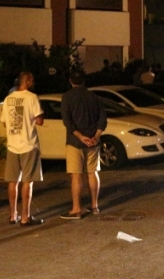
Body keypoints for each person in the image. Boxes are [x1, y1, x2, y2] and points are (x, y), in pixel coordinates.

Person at [60, 70, 107, 219]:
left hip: (75, 142)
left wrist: (81, 137)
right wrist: (95, 136)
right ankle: (94, 205)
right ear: (84, 81)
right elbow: (103, 119)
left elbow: (67, 122)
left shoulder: (67, 97)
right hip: (93, 141)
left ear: (70, 81)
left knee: (76, 175)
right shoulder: (94, 96)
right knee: (93, 173)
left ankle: (76, 209)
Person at [2, 72, 45, 226]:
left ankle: (12, 215)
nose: (33, 82)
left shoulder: (8, 99)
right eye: (31, 80)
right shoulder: (32, 97)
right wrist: (33, 118)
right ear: (26, 82)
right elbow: (39, 121)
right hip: (28, 144)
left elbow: (5, 123)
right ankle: (25, 217)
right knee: (27, 181)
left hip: (13, 144)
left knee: (12, 181)